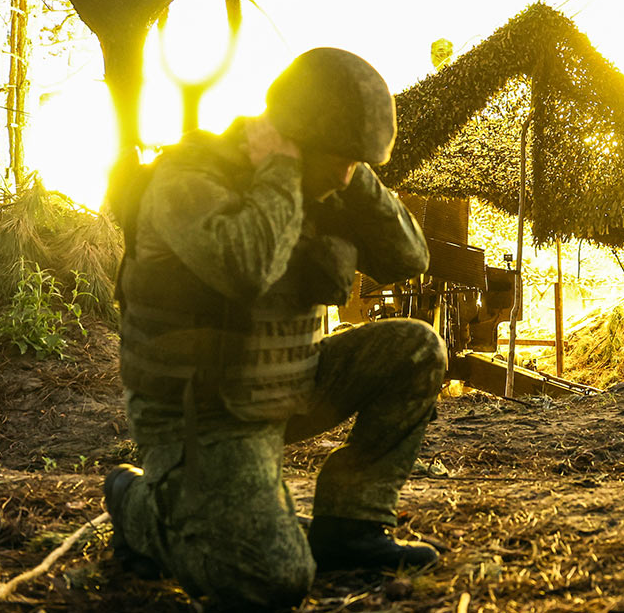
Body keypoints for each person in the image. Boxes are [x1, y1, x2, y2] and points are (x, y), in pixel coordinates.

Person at [103, 47, 447, 610]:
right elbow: (247, 268)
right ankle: (135, 502)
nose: (345, 173)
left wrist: (356, 177)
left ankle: (351, 525)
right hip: (202, 414)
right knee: (273, 578)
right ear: (293, 137)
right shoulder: (187, 178)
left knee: (417, 350)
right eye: (339, 159)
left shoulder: (326, 182)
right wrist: (282, 170)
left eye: (356, 162)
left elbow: (409, 258)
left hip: (285, 386)